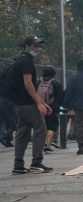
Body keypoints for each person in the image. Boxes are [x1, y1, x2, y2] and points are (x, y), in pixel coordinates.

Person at [12, 36, 53, 174]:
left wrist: (42, 102)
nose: (38, 49)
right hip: (28, 105)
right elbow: (28, 83)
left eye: (39, 46)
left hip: (19, 104)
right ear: (27, 46)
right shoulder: (27, 61)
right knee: (41, 129)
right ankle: (36, 162)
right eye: (35, 46)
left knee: (22, 134)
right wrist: (38, 103)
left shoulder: (19, 60)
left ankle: (18, 165)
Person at [38, 66, 64, 153]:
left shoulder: (38, 82)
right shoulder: (56, 83)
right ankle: (47, 146)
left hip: (40, 107)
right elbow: (61, 96)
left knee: (42, 126)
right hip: (52, 108)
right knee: (51, 127)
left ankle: (41, 145)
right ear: (53, 74)